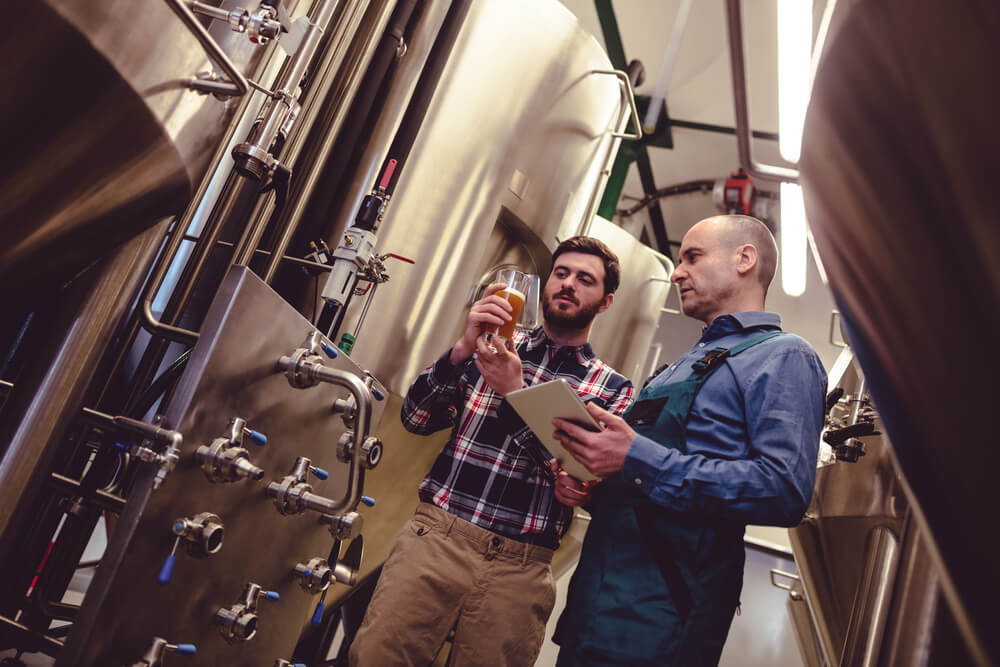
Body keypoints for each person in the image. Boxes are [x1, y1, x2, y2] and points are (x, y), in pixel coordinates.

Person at [550, 215, 827, 666]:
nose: (677, 272)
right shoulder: (682, 364)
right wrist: (592, 489)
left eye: (692, 257)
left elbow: (784, 490)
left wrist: (635, 455)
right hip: (597, 607)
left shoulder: (784, 356)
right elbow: (646, 479)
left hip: (666, 619)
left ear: (745, 259)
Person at [349, 237, 634, 667]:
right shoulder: (494, 344)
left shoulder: (612, 389)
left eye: (584, 279)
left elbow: (576, 478)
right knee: (375, 659)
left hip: (521, 568)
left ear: (606, 302)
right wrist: (461, 348)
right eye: (561, 273)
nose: (568, 284)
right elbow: (415, 419)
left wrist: (513, 393)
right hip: (438, 539)